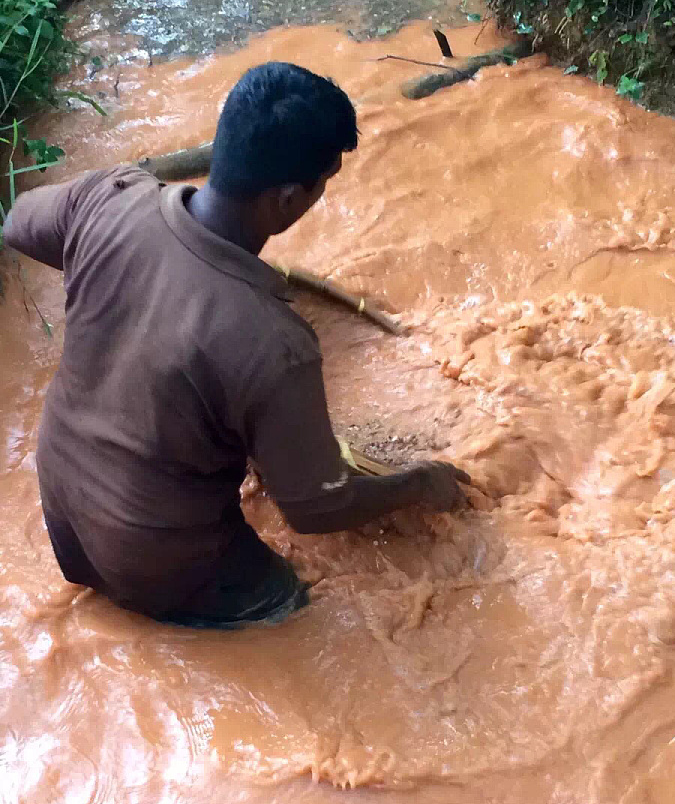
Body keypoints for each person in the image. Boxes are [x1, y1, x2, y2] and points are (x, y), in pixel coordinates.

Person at [3, 62, 469, 628]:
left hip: (64, 509)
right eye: (324, 184)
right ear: (289, 199)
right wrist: (422, 482)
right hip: (155, 556)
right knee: (297, 611)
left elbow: (18, 223)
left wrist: (109, 268)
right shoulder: (274, 341)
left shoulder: (110, 197)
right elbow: (315, 508)